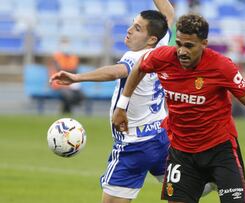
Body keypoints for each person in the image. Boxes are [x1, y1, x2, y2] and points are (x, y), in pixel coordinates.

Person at [113, 14, 245, 203]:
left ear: (204, 43)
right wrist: (122, 106)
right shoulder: (164, 57)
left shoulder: (222, 67)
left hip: (219, 150)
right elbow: (140, 67)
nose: (182, 51)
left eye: (189, 46)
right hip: (181, 152)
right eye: (179, 44)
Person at [50, 1, 177, 202]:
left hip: (133, 145)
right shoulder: (161, 45)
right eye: (132, 24)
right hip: (161, 138)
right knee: (187, 188)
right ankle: (218, 176)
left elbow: (117, 71)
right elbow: (169, 13)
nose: (128, 31)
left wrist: (77, 77)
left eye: (137, 28)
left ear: (151, 38)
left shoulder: (134, 56)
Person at [48, 36, 84, 114]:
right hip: (58, 81)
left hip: (70, 81)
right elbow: (60, 70)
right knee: (67, 94)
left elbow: (74, 69)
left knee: (80, 95)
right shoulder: (56, 56)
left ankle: (65, 110)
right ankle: (67, 111)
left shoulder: (73, 57)